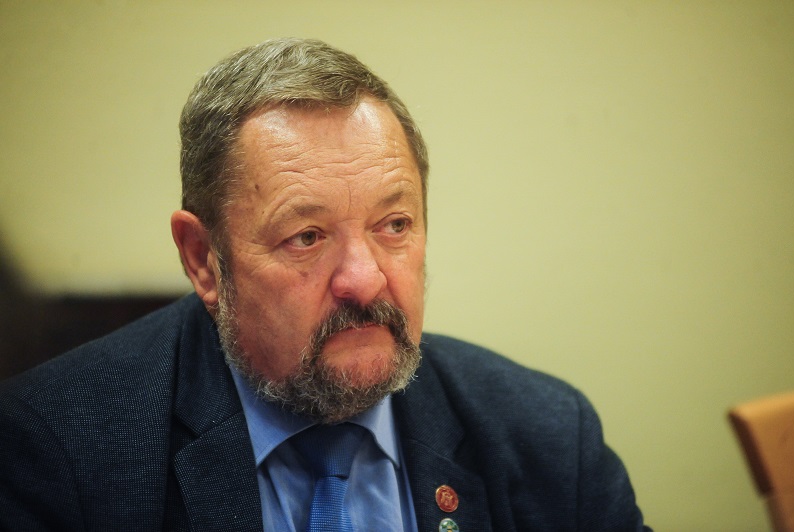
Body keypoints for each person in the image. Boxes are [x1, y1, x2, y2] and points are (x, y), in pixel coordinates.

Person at [0, 38, 649, 531]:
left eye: (394, 225)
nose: (365, 280)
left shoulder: (548, 437)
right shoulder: (56, 453)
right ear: (202, 260)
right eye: (306, 236)